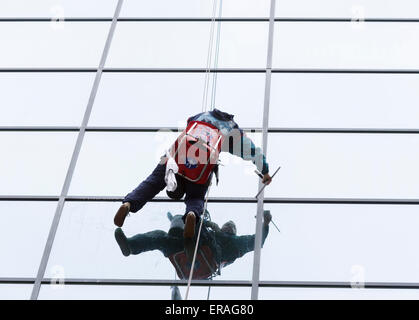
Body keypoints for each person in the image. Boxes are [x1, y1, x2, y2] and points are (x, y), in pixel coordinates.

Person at [114, 109, 272, 239]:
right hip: (201, 165)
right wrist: (264, 171)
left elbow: (189, 122)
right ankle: (191, 214)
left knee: (153, 182)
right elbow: (253, 151)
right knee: (195, 197)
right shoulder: (232, 128)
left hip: (174, 156)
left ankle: (128, 204)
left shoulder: (202, 115)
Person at [114, 210, 272, 280]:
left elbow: (257, 242)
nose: (228, 226)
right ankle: (130, 246)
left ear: (233, 232)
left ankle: (183, 231)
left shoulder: (234, 243)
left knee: (196, 223)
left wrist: (265, 224)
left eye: (231, 226)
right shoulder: (218, 235)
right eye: (227, 224)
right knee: (159, 237)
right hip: (189, 254)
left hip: (204, 252)